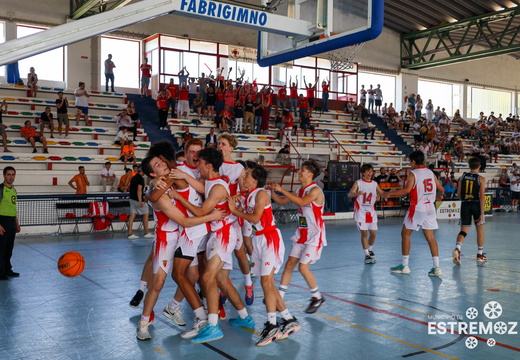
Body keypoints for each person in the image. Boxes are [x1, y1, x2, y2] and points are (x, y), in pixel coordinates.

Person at [136, 155, 224, 341]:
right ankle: (144, 321)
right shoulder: (159, 193)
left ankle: (174, 306)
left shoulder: (174, 178)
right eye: (157, 165)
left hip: (185, 235)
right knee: (158, 283)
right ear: (153, 173)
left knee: (192, 276)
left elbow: (194, 185)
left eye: (162, 161)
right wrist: (211, 217)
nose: (162, 164)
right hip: (167, 237)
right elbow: (183, 220)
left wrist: (152, 185)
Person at [228, 161, 301, 346]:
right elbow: (246, 211)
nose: (244, 177)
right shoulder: (248, 194)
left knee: (266, 282)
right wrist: (237, 203)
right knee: (265, 282)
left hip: (269, 238)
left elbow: (254, 218)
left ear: (255, 180)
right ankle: (288, 319)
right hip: (258, 239)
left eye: (247, 175)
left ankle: (272, 325)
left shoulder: (261, 194)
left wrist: (235, 211)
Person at [270, 159, 327, 313]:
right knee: (289, 264)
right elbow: (281, 202)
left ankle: (317, 297)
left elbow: (302, 203)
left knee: (303, 267)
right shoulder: (298, 190)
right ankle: (280, 296)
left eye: (303, 170)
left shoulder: (315, 191)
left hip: (314, 235)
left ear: (310, 174)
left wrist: (282, 189)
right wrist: (271, 191)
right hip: (301, 234)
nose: (299, 172)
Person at [383, 150, 444, 277]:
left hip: (417, 207)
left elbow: (406, 191)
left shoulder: (413, 173)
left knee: (405, 234)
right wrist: (436, 196)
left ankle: (404, 265)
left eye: (410, 161)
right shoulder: (431, 173)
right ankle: (436, 267)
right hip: (430, 207)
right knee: (431, 237)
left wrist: (389, 193)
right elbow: (441, 189)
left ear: (413, 161)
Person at [452, 157, 487, 265]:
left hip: (465, 204)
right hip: (476, 204)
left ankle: (458, 249)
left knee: (463, 231)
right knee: (480, 229)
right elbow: (482, 196)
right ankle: (480, 254)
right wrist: (482, 212)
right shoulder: (481, 179)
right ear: (479, 166)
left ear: (469, 165)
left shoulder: (462, 177)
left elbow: (458, 193)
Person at [348, 163, 385, 264]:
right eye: (368, 171)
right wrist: (356, 194)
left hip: (371, 211)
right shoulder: (358, 183)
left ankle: (370, 249)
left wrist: (385, 195)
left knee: (373, 234)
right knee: (364, 233)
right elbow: (349, 194)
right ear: (363, 172)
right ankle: (367, 255)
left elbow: (381, 193)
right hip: (361, 211)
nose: (370, 173)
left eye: (371, 171)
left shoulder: (374, 183)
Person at [0, 166, 20, 281]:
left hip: (11, 222)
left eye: (13, 174)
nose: (11, 177)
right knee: (1, 249)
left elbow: (13, 207)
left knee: (9, 248)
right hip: (2, 221)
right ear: (4, 175)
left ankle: (8, 269)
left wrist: (16, 222)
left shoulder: (13, 190)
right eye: (8, 174)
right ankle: (0, 272)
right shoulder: (1, 189)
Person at [127, 166, 154, 240]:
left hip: (131, 198)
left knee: (132, 215)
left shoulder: (133, 177)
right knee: (146, 214)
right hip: (138, 199)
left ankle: (130, 233)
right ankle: (146, 232)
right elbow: (139, 190)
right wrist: (140, 201)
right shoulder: (140, 179)